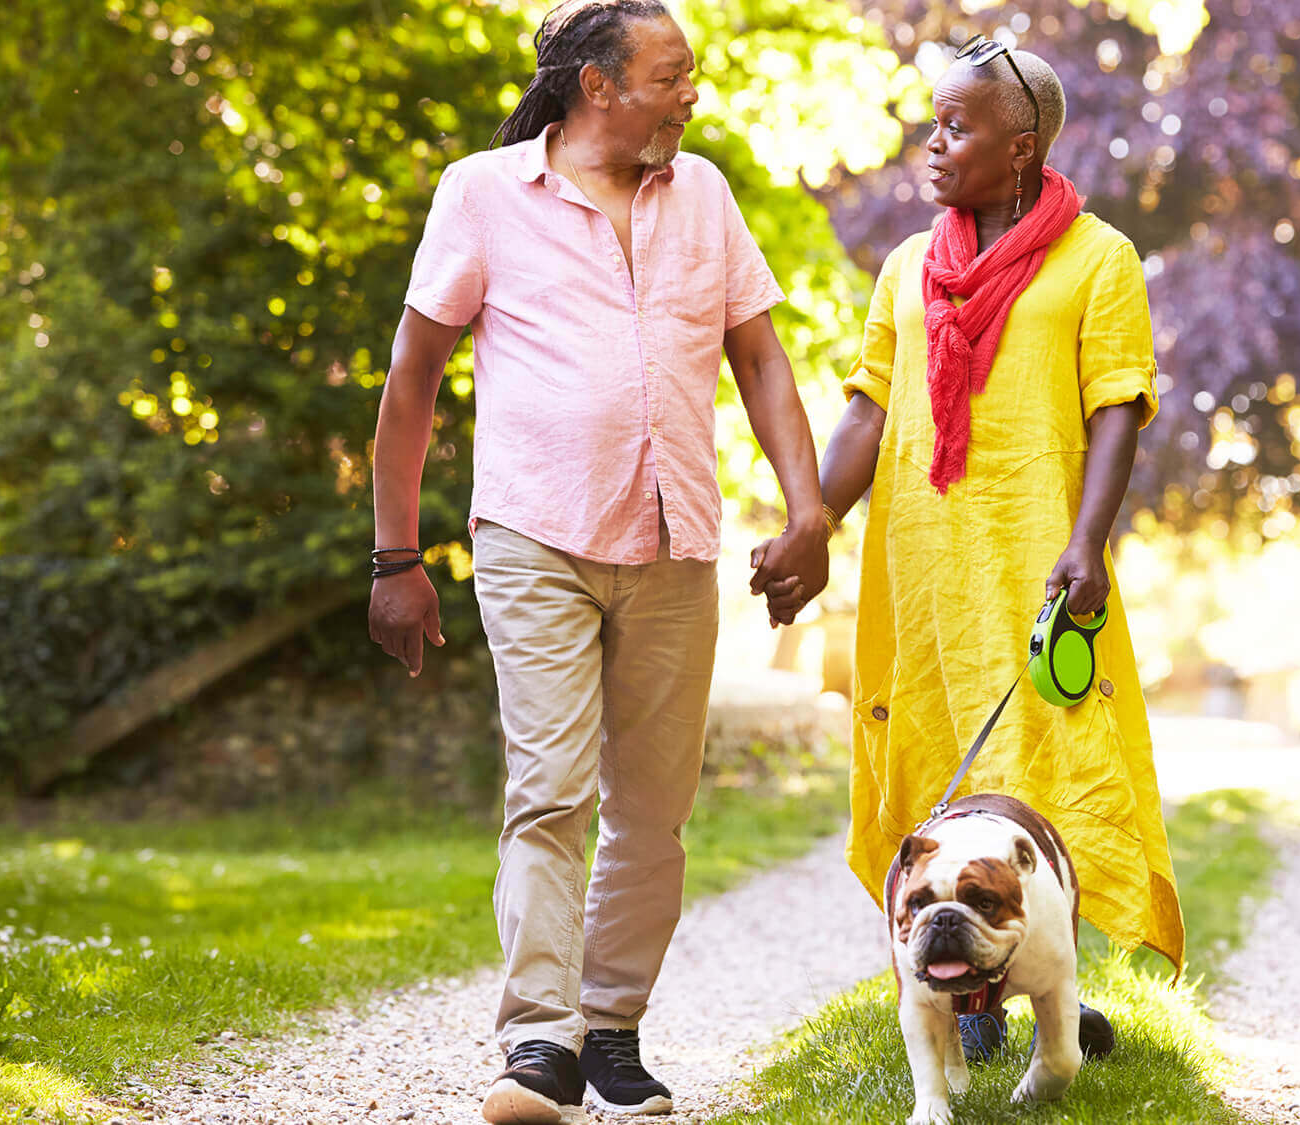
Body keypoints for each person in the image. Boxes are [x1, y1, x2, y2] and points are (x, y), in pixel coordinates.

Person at [367, 3, 827, 1122]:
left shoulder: (704, 195)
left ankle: (609, 1025)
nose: (690, 95)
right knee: (551, 790)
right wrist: (395, 553)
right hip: (534, 535)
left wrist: (806, 507)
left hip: (674, 538)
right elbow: (414, 372)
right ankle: (537, 1043)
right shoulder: (482, 194)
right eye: (671, 76)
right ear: (595, 85)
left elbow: (760, 360)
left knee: (653, 809)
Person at [761, 36, 1185, 1058]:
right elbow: (868, 411)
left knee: (1050, 761)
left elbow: (1118, 407)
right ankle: (956, 988)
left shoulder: (1099, 259)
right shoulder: (909, 266)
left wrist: (1088, 538)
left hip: (1041, 559)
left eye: (957, 127)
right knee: (931, 760)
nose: (932, 145)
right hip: (920, 564)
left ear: (1022, 144)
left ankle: (1041, 981)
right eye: (932, 124)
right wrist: (808, 523)